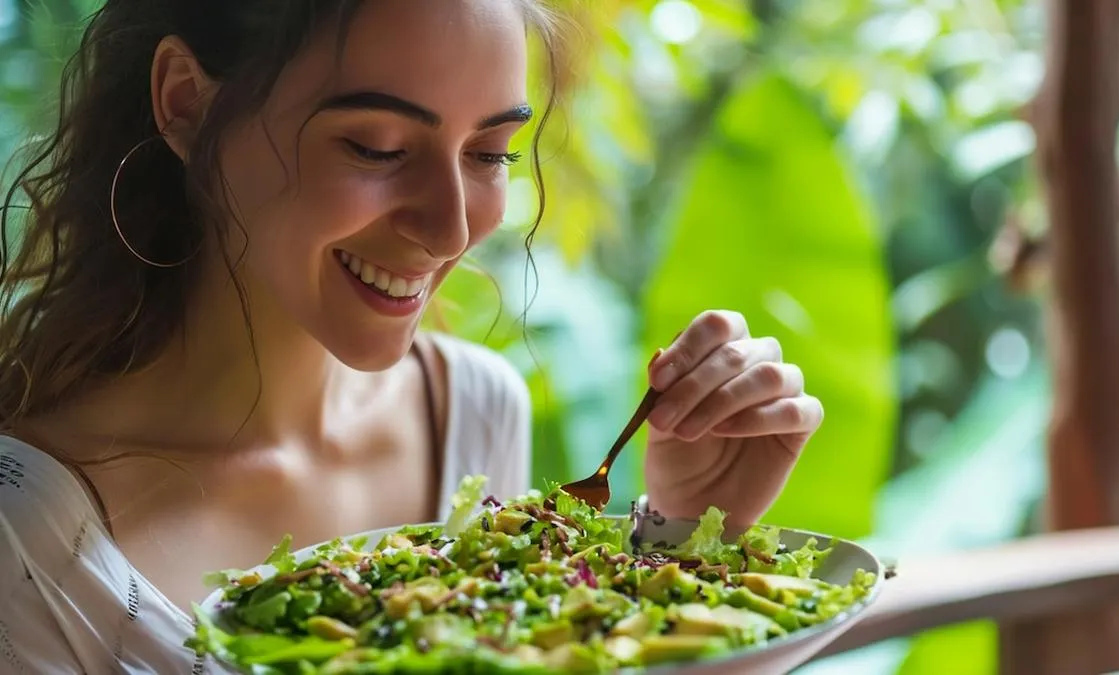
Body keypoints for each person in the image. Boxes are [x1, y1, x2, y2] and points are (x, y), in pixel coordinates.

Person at [0, 1, 825, 672]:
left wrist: (679, 545)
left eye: (491, 153)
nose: (451, 228)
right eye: (378, 147)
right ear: (186, 100)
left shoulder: (468, 408)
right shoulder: (31, 538)